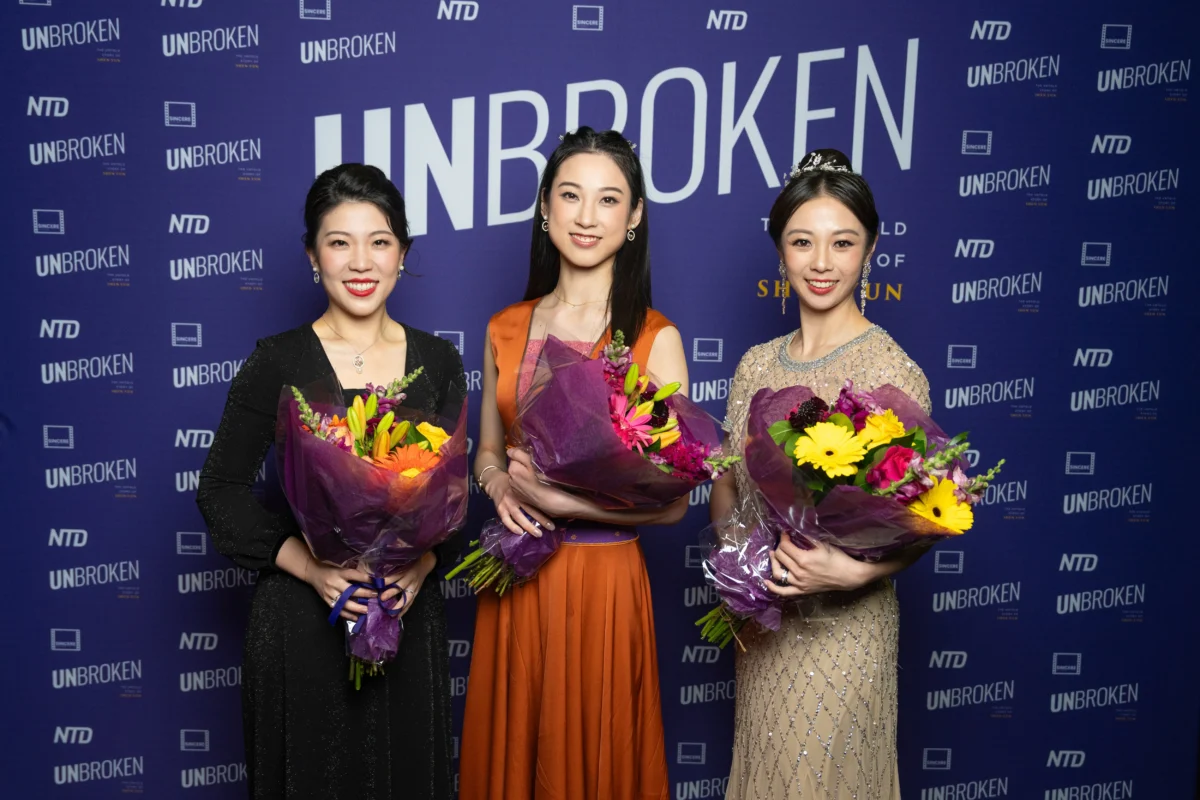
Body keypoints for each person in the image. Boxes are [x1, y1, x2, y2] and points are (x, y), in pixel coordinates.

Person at [196, 164, 465, 799]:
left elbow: (451, 501)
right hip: (302, 623)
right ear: (313, 257)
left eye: (380, 241)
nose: (360, 261)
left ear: (403, 252)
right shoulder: (277, 360)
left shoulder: (438, 361)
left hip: (403, 616)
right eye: (339, 242)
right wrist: (311, 568)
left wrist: (422, 564)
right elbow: (221, 490)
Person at [459, 127, 687, 800]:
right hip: (517, 576)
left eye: (609, 199)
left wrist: (565, 504)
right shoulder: (503, 327)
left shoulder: (655, 338)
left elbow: (674, 503)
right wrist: (498, 484)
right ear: (544, 207)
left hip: (604, 584)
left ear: (634, 215)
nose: (587, 216)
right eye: (570, 195)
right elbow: (488, 450)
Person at [710, 149, 931, 800]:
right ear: (780, 250)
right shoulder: (755, 365)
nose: (822, 262)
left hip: (845, 636)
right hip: (764, 630)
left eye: (843, 242)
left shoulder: (891, 371)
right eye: (802, 241)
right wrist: (741, 560)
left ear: (871, 248)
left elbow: (924, 514)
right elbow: (727, 484)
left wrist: (851, 572)